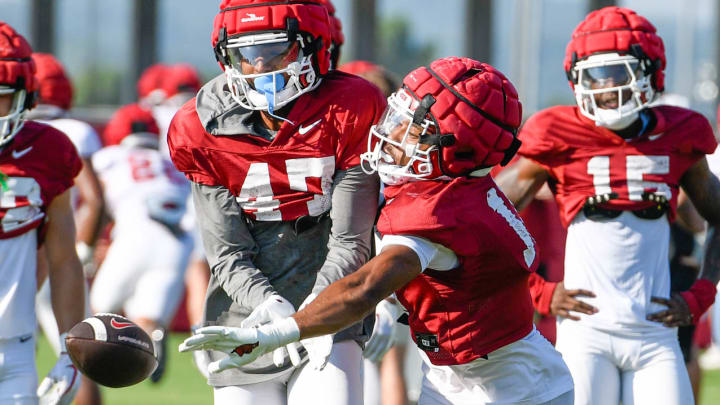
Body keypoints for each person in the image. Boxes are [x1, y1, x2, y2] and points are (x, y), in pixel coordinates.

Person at [180, 56, 575, 405]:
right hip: (455, 377)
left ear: (457, 149)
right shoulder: (459, 186)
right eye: (400, 115)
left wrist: (277, 334)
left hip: (517, 388)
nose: (395, 133)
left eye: (414, 129)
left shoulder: (441, 212)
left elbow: (363, 288)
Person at [494, 7, 720, 405]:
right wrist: (535, 291)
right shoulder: (555, 133)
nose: (606, 89)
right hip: (586, 333)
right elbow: (483, 216)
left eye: (619, 74)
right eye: (596, 77)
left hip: (655, 332)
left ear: (652, 72)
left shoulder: (681, 133)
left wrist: (702, 293)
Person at [167, 1, 385, 404]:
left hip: (329, 308)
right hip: (248, 315)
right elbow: (228, 252)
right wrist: (268, 305)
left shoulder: (350, 107)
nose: (259, 66)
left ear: (311, 46)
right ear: (225, 57)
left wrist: (311, 316)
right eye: (245, 55)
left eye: (274, 51)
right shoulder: (200, 124)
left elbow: (351, 240)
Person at [0, 21, 85, 405]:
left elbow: (63, 259)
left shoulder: (47, 153)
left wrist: (71, 352)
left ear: (24, 94)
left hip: (13, 351)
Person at [88, 103, 192, 383]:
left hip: (134, 235)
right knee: (148, 318)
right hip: (177, 241)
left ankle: (103, 368)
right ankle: (151, 342)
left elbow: (94, 201)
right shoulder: (171, 163)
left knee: (98, 310)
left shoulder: (110, 157)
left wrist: (90, 242)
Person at [28, 51, 105, 405]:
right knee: (73, 350)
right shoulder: (74, 130)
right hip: (56, 251)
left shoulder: (19, 132)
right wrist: (83, 249)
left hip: (22, 250)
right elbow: (93, 197)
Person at [338, 59, 410, 405]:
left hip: (373, 278)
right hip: (391, 276)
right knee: (390, 360)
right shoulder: (402, 151)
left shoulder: (360, 154)